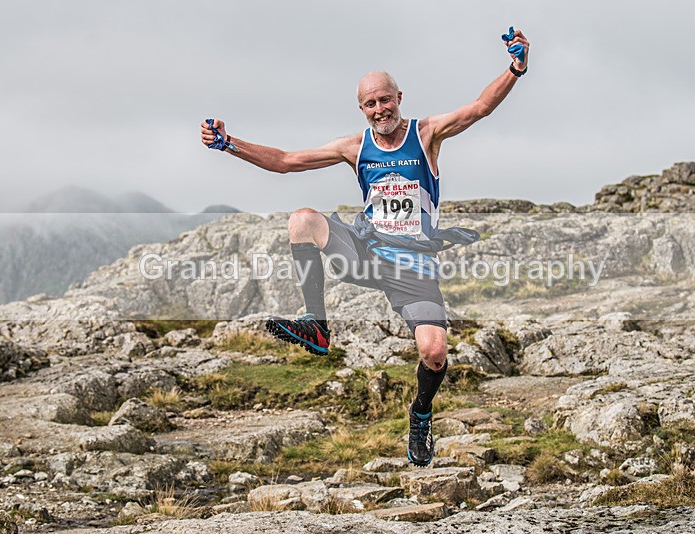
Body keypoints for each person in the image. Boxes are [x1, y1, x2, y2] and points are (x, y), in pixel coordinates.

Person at [201, 29, 530, 467]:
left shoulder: (427, 133)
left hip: (415, 268)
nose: (380, 110)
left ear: (398, 97)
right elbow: (284, 162)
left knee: (434, 353)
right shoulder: (354, 147)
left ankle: (421, 414)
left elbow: (480, 107)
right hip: (367, 255)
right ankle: (317, 326)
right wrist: (229, 144)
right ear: (362, 108)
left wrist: (516, 67)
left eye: (385, 100)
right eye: (370, 104)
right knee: (302, 220)